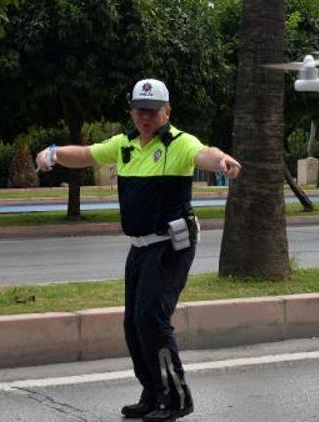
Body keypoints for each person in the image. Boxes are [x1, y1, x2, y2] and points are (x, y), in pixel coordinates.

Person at [36, 78, 241, 422]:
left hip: (171, 244)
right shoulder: (124, 144)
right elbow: (86, 155)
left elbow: (204, 153)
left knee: (151, 319)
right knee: (133, 324)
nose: (145, 117)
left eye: (152, 111)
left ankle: (175, 396)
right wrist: (54, 153)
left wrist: (222, 162)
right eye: (139, 110)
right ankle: (153, 392)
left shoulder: (179, 142)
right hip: (140, 247)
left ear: (167, 111)